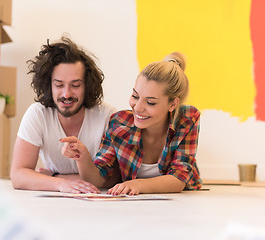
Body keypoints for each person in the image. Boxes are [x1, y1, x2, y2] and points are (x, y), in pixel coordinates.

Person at [61, 52, 202, 195]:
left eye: (150, 102)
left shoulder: (187, 119)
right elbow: (99, 180)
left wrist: (137, 185)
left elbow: (178, 180)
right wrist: (83, 157)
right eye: (135, 96)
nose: (138, 107)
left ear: (173, 104)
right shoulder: (119, 123)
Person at [10, 36, 117, 193]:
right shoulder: (37, 114)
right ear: (48, 85)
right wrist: (60, 184)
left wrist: (55, 176)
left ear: (87, 85)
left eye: (75, 85)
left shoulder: (108, 117)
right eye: (59, 85)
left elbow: (114, 179)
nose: (66, 94)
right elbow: (18, 175)